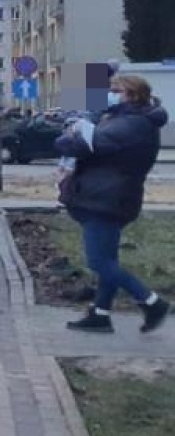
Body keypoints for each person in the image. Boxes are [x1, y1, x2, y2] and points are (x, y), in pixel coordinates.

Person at [55, 73, 170, 333]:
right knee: (108, 260)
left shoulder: (132, 124)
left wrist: (69, 135)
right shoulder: (125, 119)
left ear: (132, 94)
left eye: (115, 90)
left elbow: (82, 145)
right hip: (110, 196)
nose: (110, 94)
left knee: (99, 262)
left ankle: (152, 303)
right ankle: (100, 314)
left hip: (105, 199)